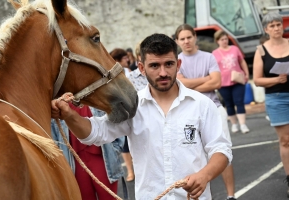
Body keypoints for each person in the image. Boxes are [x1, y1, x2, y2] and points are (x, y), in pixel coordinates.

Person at [51, 33, 232, 200]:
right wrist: (69, 116)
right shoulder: (132, 106)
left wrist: (204, 175)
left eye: (168, 64)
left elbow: (221, 150)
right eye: (154, 65)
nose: (163, 73)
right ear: (141, 68)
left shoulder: (202, 104)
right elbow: (96, 132)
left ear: (178, 65)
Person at [175, 24, 237, 200]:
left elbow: (216, 83)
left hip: (215, 109)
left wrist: (190, 83)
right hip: (189, 113)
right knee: (194, 157)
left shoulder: (208, 57)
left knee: (223, 153)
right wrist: (205, 79)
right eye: (182, 38)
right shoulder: (176, 60)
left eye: (189, 37)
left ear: (195, 37)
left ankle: (231, 195)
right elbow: (181, 85)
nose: (186, 41)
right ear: (177, 41)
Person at [253, 12, 289, 197]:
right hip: (276, 99)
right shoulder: (261, 50)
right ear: (266, 29)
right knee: (285, 140)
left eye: (278, 24)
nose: (276, 28)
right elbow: (257, 80)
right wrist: (276, 80)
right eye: (272, 26)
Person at [68, 104, 126, 200]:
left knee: (108, 197)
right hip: (75, 161)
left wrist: (115, 149)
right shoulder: (59, 102)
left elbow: (116, 119)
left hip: (102, 158)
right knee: (85, 197)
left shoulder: (95, 95)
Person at [212, 30, 250, 134]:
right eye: (222, 39)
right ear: (217, 41)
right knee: (229, 104)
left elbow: (242, 61)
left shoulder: (235, 49)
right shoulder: (214, 53)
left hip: (237, 80)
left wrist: (246, 73)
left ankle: (243, 124)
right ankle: (234, 124)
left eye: (226, 39)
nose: (224, 41)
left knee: (239, 102)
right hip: (223, 83)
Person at [110, 47, 135, 181]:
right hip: (120, 110)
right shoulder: (112, 74)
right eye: (125, 58)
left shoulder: (128, 72)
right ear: (118, 60)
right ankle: (130, 171)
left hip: (131, 109)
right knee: (124, 144)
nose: (128, 59)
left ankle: (136, 168)